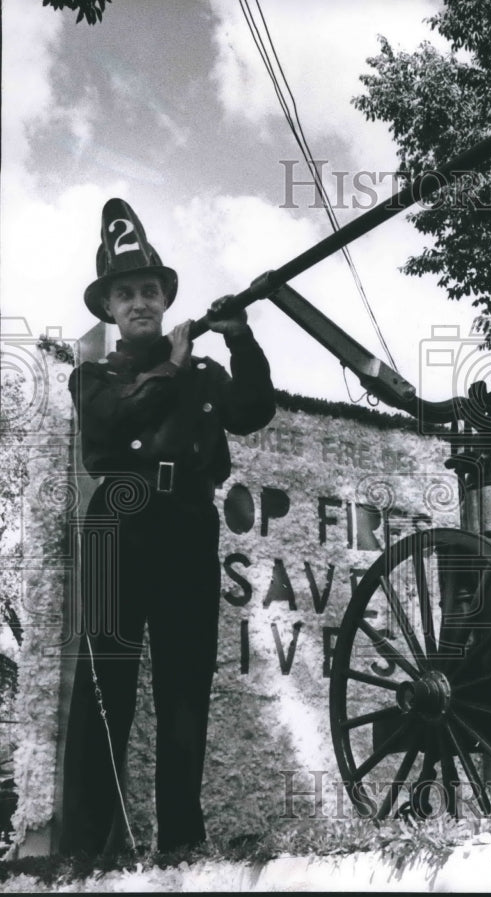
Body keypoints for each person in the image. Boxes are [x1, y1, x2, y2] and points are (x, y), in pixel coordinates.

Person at [60, 198, 275, 855]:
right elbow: (113, 422)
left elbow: (254, 408)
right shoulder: (94, 376)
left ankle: (181, 839)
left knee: (185, 686)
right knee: (106, 685)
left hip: (186, 525)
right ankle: (84, 847)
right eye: (126, 293)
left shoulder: (204, 370)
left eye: (149, 289)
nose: (140, 302)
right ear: (109, 308)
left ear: (163, 295)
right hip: (116, 524)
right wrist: (173, 366)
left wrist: (239, 335)